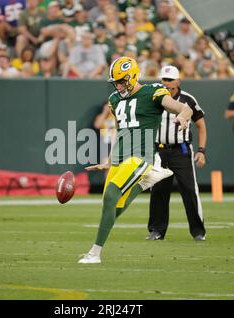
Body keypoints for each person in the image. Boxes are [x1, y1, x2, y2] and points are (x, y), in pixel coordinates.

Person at [79, 56, 193, 264]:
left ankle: (95, 253)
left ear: (133, 76)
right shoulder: (115, 99)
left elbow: (183, 108)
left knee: (111, 196)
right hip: (121, 155)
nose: (118, 85)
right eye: (116, 82)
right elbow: (119, 131)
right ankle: (143, 183)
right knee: (113, 206)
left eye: (122, 81)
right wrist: (110, 159)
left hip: (140, 154)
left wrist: (184, 117)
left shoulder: (152, 92)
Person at [147, 66, 207, 241]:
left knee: (189, 190)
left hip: (181, 150)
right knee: (158, 190)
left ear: (178, 81)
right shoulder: (155, 97)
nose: (165, 83)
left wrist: (201, 150)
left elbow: (201, 125)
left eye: (169, 80)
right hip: (159, 150)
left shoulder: (188, 99)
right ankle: (156, 231)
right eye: (163, 79)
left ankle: (198, 231)